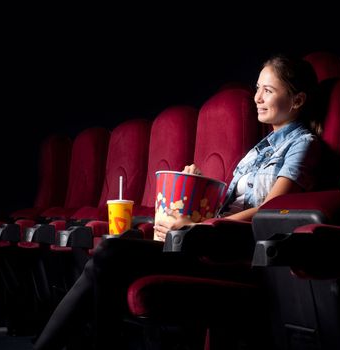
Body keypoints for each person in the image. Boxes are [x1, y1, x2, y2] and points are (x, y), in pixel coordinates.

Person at [33, 54, 322, 350]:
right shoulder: (255, 152)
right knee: (114, 251)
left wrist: (198, 228)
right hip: (205, 240)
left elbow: (269, 211)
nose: (257, 98)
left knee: (110, 255)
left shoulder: (303, 144)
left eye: (268, 91)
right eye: (257, 88)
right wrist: (194, 186)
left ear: (297, 100)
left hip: (236, 252)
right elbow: (225, 206)